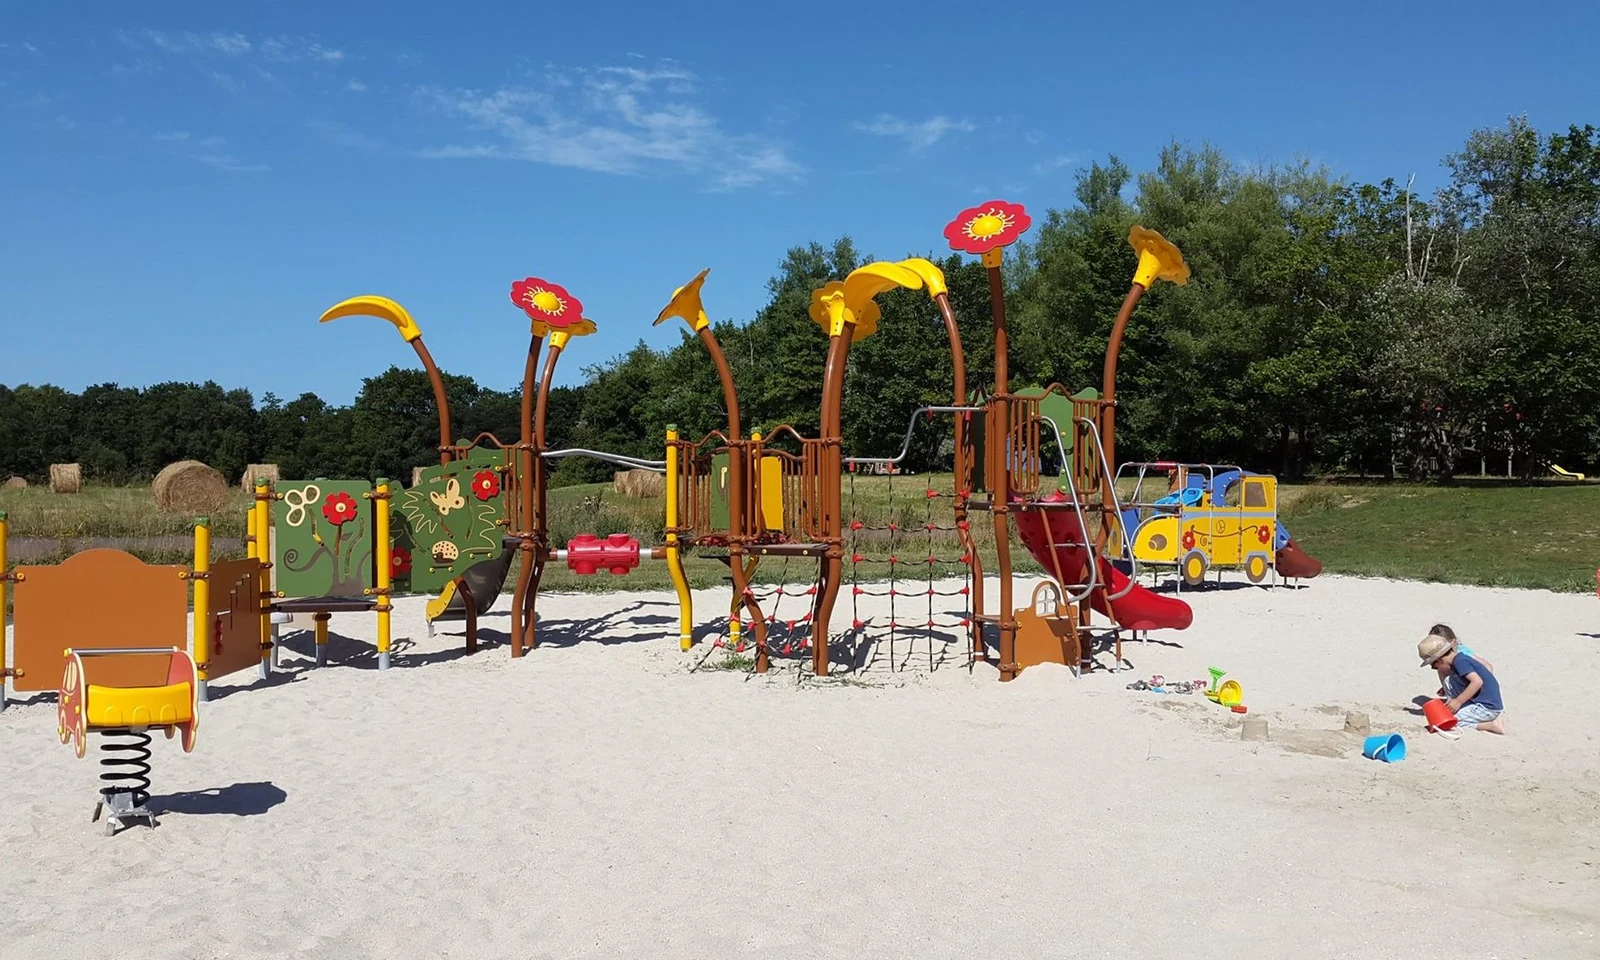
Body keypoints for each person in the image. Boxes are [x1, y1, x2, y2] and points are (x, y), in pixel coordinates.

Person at [1418, 632, 1505, 734]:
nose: (1437, 669)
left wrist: (1458, 701)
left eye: (1434, 666)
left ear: (1440, 660)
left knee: (1451, 720)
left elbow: (1477, 682)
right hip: (1481, 701)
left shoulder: (1460, 662)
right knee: (1449, 680)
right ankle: (1454, 706)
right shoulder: (1459, 659)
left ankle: (1491, 726)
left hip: (1488, 708)